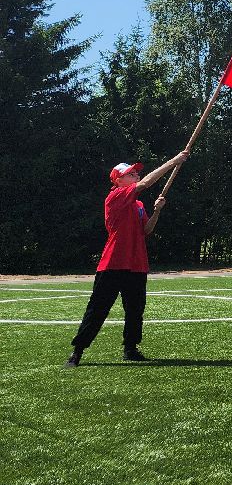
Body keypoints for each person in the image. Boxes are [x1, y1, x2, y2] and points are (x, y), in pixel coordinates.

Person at [65, 149, 189, 367]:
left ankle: (130, 348)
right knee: (98, 308)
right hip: (113, 263)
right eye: (131, 174)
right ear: (119, 180)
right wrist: (174, 161)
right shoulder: (114, 197)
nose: (136, 176)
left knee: (135, 310)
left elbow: (147, 230)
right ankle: (77, 352)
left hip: (137, 264)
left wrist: (157, 211)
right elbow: (145, 184)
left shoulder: (139, 205)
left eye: (135, 173)